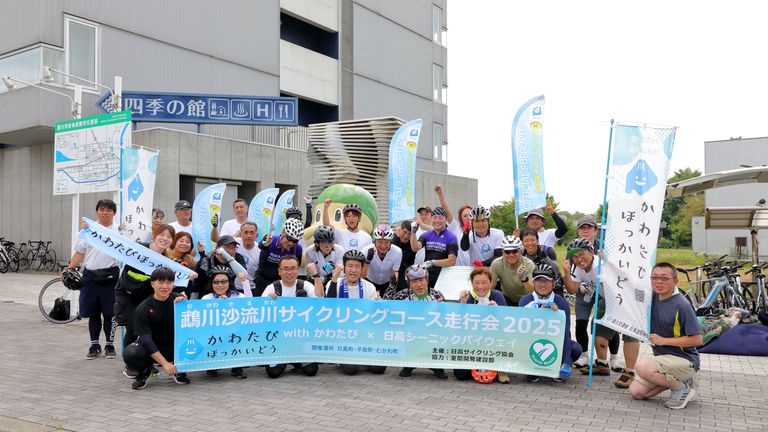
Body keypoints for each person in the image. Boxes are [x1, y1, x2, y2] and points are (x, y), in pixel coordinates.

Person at [562, 238, 640, 388]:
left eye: (582, 254)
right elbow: (572, 289)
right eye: (575, 257)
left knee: (629, 333)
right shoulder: (577, 268)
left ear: (591, 252)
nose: (578, 259)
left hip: (627, 297)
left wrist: (609, 263)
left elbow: (627, 275)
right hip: (608, 299)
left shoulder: (601, 264)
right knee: (597, 326)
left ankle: (629, 372)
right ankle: (602, 364)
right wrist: (566, 272)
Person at [629, 263, 702, 410]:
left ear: (675, 281)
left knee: (642, 366)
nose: (659, 282)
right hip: (663, 361)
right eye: (654, 278)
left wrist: (664, 341)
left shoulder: (682, 305)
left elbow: (697, 339)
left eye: (664, 278)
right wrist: (607, 260)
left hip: (685, 359)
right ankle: (683, 382)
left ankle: (681, 388)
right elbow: (627, 282)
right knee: (637, 392)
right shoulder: (651, 298)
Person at [115, 224, 180, 364]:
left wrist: (188, 278)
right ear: (154, 235)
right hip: (128, 294)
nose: (165, 239)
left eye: (169, 237)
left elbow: (173, 281)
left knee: (145, 330)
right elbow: (114, 244)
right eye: (162, 235)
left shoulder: (167, 260)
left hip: (146, 297)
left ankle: (150, 360)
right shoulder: (139, 248)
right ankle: (130, 361)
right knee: (132, 328)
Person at [66, 199, 121, 359]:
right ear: (97, 211)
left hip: (111, 276)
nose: (105, 212)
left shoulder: (119, 231)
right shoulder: (88, 230)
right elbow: (79, 252)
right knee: (93, 313)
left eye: (109, 210)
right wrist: (69, 268)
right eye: (102, 209)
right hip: (90, 276)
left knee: (110, 314)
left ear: (114, 213)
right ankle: (94, 345)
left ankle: (110, 346)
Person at [122, 267, 189, 390]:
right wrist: (165, 364)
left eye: (169, 282)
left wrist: (223, 302)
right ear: (152, 284)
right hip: (151, 347)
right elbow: (146, 340)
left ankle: (179, 369)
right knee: (131, 353)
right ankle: (145, 370)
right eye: (161, 282)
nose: (165, 286)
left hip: (173, 346)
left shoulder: (179, 301)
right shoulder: (143, 308)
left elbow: (201, 317)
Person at [570, 217, 622, 371]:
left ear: (595, 230)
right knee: (580, 323)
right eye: (582, 228)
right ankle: (585, 356)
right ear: (578, 231)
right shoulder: (573, 247)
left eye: (589, 227)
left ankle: (613, 358)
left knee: (607, 324)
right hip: (585, 290)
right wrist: (581, 285)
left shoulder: (604, 248)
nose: (585, 231)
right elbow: (574, 272)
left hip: (605, 293)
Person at [519, 262, 582, 383]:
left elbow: (565, 334)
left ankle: (558, 365)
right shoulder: (525, 300)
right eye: (538, 280)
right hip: (530, 342)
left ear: (553, 284)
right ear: (533, 283)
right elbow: (521, 332)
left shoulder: (561, 302)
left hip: (553, 344)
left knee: (576, 348)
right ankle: (530, 367)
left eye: (547, 281)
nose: (542, 284)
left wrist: (567, 362)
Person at [326, 250, 385, 375]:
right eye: (350, 266)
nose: (353, 270)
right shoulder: (334, 284)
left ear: (362, 268)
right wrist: (335, 277)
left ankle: (364, 357)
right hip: (342, 335)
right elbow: (329, 306)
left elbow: (374, 316)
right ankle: (342, 358)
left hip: (363, 335)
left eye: (357, 267)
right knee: (351, 369)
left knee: (379, 369)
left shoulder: (369, 287)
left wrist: (378, 305)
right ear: (344, 267)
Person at [262, 255, 321, 378]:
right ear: (279, 271)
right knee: (273, 373)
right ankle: (286, 359)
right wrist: (268, 302)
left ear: (298, 270)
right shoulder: (272, 288)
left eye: (293, 268)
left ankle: (296, 361)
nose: (289, 272)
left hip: (301, 338)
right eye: (285, 269)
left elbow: (320, 300)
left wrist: (315, 276)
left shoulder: (305, 285)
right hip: (279, 340)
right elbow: (260, 313)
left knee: (311, 371)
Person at [390, 264, 448, 379]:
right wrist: (391, 286)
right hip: (410, 333)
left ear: (427, 280)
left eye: (421, 280)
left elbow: (445, 319)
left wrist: (442, 308)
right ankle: (409, 364)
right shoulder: (402, 295)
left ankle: (435, 365)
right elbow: (387, 308)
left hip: (431, 333)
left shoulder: (437, 295)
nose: (419, 285)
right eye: (414, 282)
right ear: (409, 284)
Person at [455, 267, 507, 382]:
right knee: (461, 375)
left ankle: (499, 369)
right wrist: (462, 303)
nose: (480, 287)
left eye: (484, 283)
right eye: (476, 283)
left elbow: (506, 322)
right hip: (471, 342)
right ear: (471, 283)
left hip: (493, 342)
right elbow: (457, 323)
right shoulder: (466, 296)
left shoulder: (497, 295)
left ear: (490, 283)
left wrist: (497, 310)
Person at [200, 266, 247, 380]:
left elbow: (249, 315)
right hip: (215, 336)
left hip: (235, 334)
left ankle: (237, 367)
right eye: (216, 282)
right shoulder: (206, 299)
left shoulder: (239, 297)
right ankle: (212, 366)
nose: (220, 285)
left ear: (229, 282)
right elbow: (203, 324)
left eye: (224, 281)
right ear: (211, 284)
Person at [409, 207, 458, 288]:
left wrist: (433, 262)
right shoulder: (426, 235)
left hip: (443, 277)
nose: (437, 221)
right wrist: (413, 232)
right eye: (434, 218)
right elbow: (415, 248)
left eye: (440, 218)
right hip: (427, 276)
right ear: (431, 219)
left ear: (445, 220)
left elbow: (452, 261)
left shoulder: (451, 237)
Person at [255, 218, 304, 296]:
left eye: (295, 241)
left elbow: (296, 268)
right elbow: (261, 246)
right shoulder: (271, 240)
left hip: (282, 283)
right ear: (283, 232)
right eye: (289, 238)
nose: (291, 243)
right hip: (263, 279)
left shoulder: (298, 249)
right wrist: (264, 244)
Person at [489, 236, 535, 306]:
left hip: (526, 299)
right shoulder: (496, 263)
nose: (511, 255)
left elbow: (533, 290)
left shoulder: (529, 264)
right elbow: (491, 286)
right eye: (507, 252)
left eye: (514, 251)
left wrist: (524, 279)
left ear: (520, 251)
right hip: (506, 298)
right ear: (502, 252)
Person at [434, 185, 473, 266]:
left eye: (470, 215)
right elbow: (445, 209)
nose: (468, 218)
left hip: (474, 269)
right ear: (461, 218)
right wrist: (440, 194)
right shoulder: (456, 227)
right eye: (465, 216)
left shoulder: (478, 231)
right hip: (457, 269)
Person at [519, 228, 564, 296]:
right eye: (526, 241)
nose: (530, 243)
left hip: (552, 289)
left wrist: (544, 257)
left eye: (533, 240)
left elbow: (556, 271)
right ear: (522, 243)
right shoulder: (521, 254)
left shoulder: (547, 250)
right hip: (530, 288)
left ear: (537, 240)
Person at [362, 224, 402, 297]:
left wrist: (392, 288)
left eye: (386, 242)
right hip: (369, 281)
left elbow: (394, 272)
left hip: (386, 282)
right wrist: (367, 261)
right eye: (380, 242)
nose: (383, 246)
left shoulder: (397, 252)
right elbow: (361, 276)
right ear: (375, 242)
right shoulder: (365, 250)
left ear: (391, 242)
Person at [393, 220, 419, 290]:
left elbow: (410, 265)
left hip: (403, 276)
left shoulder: (412, 245)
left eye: (409, 234)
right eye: (404, 232)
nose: (406, 236)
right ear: (400, 230)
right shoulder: (393, 239)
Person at [235, 221, 260, 289]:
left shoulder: (260, 251)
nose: (249, 236)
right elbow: (216, 240)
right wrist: (215, 227)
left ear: (256, 235)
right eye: (246, 232)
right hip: (232, 288)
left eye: (252, 233)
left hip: (250, 288)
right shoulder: (233, 243)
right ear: (240, 234)